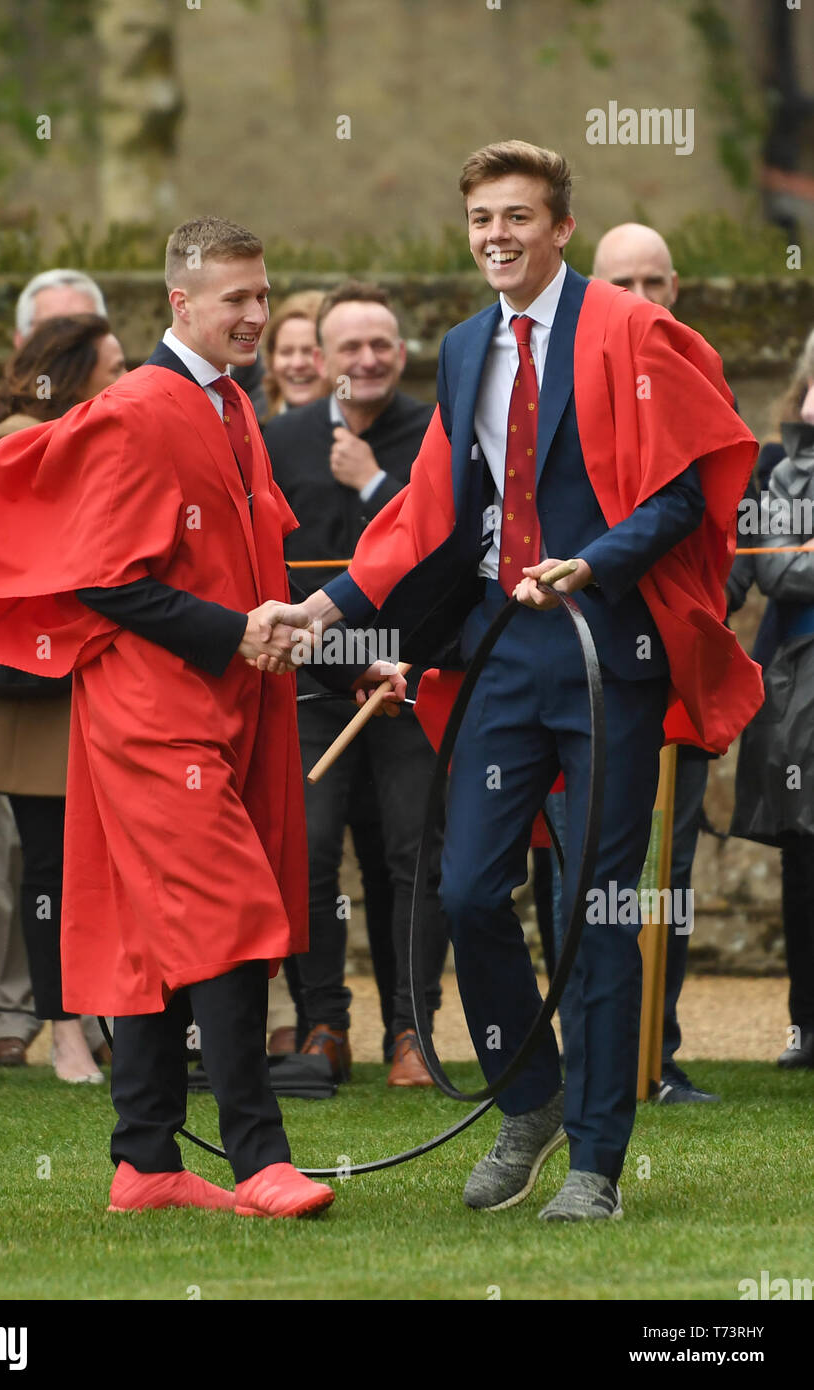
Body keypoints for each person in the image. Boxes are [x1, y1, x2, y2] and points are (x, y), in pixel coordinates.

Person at [290, 141, 759, 1220]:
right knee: (462, 891)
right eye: (479, 220)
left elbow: (684, 495)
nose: (495, 236)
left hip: (611, 655)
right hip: (502, 655)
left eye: (515, 217)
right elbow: (426, 513)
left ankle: (594, 1160)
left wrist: (593, 561)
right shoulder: (462, 350)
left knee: (594, 909)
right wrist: (330, 609)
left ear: (558, 228)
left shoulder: (629, 328)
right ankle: (531, 1097)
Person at [0, 215, 401, 1217]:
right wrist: (237, 634)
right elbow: (105, 581)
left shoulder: (228, 407)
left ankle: (142, 1160)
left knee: (140, 930)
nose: (258, 316)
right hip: (155, 712)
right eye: (237, 299)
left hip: (222, 702)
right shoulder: (141, 408)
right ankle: (257, 1153)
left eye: (264, 296)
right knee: (228, 914)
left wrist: (277, 641)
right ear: (180, 302)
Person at [264, 281, 449, 1086]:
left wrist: (377, 481)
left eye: (382, 347)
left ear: (402, 354)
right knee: (306, 855)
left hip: (408, 684)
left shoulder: (438, 436)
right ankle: (322, 1027)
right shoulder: (281, 440)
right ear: (321, 356)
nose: (367, 361)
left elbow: (446, 558)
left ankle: (413, 1032)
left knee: (414, 858)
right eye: (350, 348)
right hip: (311, 689)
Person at [0, 314, 126, 1083]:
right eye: (113, 366)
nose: (124, 378)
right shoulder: (18, 435)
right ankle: (65, 1031)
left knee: (90, 863)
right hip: (32, 694)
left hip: (78, 680)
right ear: (74, 369)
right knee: (53, 865)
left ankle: (98, 1017)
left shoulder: (79, 429)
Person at [585, 222, 720, 1104]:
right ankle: (583, 1057)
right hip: (584, 662)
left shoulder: (701, 378)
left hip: (676, 658)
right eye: (620, 282)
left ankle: (654, 1059)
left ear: (676, 288)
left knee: (665, 874)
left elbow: (721, 519)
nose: (640, 299)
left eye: (654, 282)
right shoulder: (572, 382)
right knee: (581, 871)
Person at [730, 329, 814, 1070]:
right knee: (806, 853)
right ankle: (808, 1025)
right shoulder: (779, 467)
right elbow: (780, 573)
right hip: (799, 686)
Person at [261, 290, 327, 420]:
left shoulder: (362, 433)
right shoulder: (251, 427)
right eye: (286, 352)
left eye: (310, 352)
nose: (297, 363)